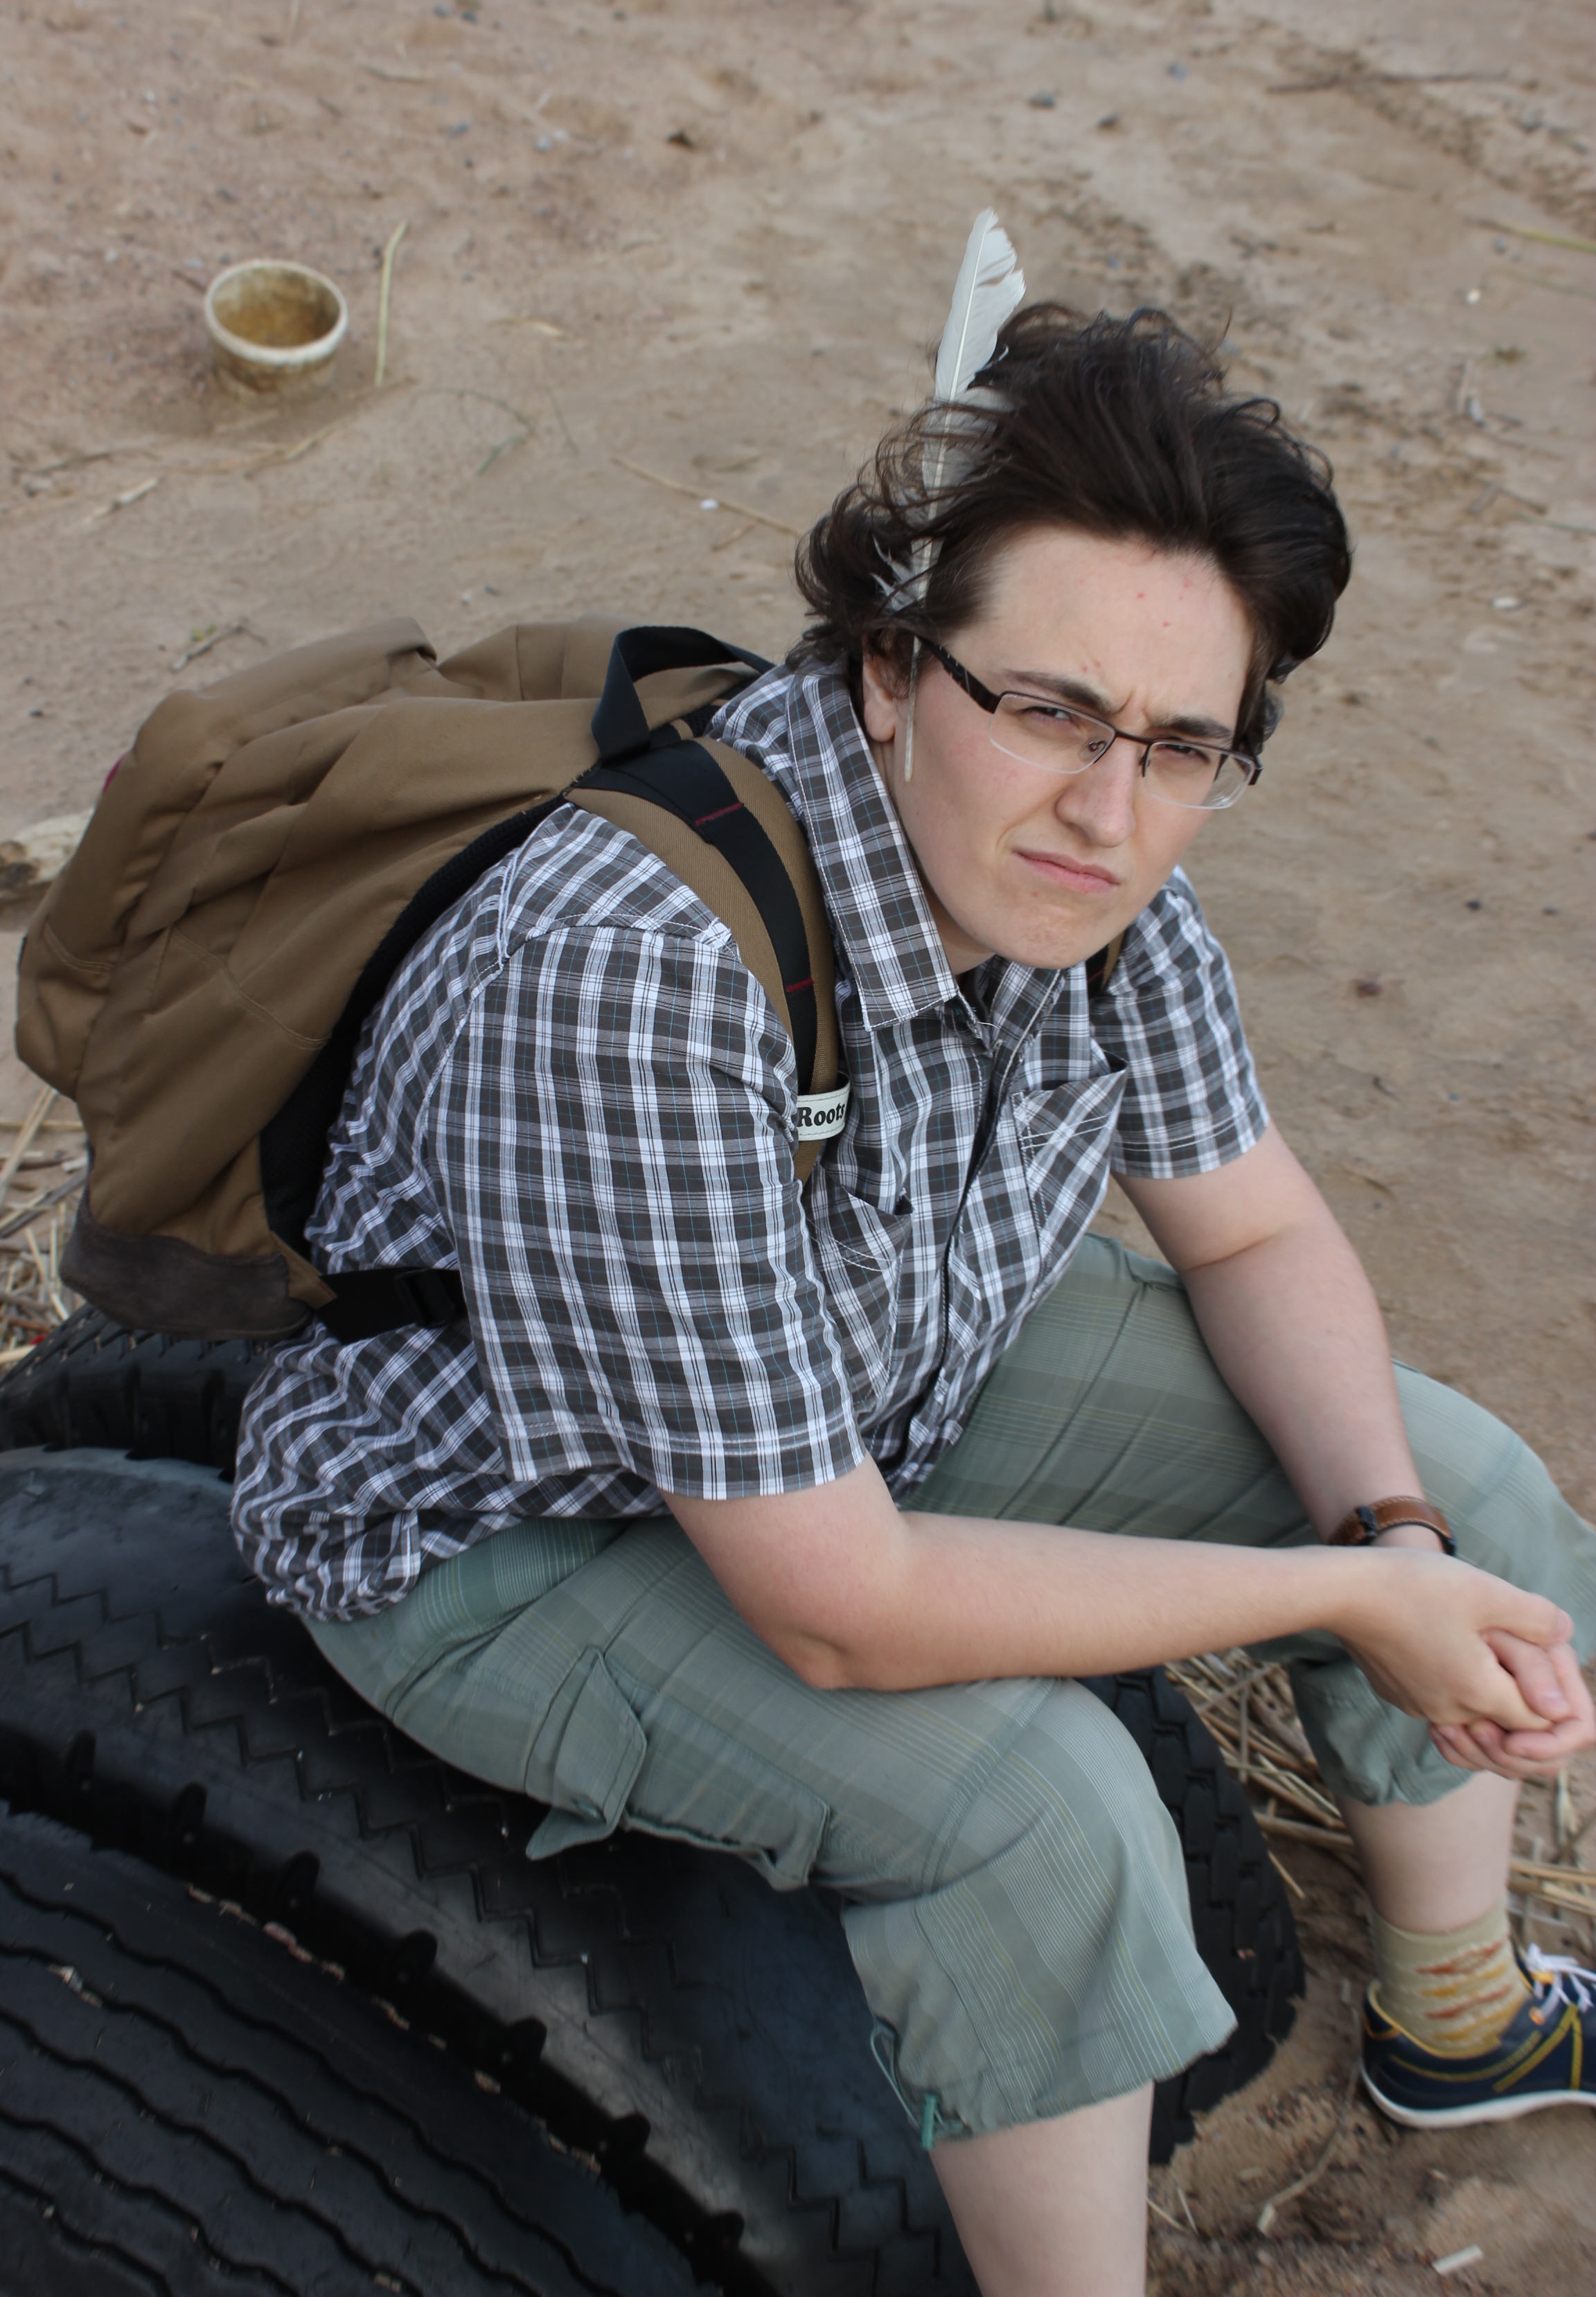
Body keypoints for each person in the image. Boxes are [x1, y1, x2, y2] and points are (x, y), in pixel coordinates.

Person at [233, 297, 1596, 2297]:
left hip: (866, 1376)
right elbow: (844, 1606)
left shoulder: (1092, 871)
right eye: (1048, 710)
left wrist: (1394, 1539)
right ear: (889, 668)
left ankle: (1459, 2017)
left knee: (1455, 1484)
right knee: (1044, 1817)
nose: (1109, 811)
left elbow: (1251, 1232)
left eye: (1181, 745)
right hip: (513, 1522)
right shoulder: (637, 968)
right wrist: (1339, 1597)